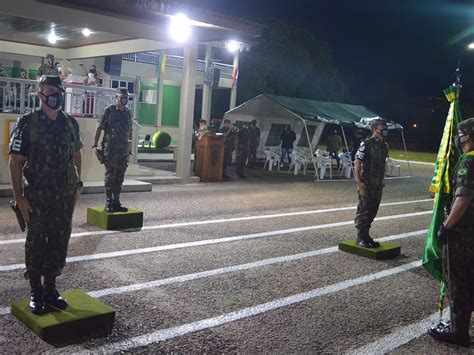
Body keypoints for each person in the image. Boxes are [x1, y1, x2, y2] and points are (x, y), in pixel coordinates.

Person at [8, 75, 83, 314]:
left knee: (59, 242)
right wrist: (19, 197)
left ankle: (50, 288)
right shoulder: (27, 123)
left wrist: (78, 185)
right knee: (36, 243)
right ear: (40, 93)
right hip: (37, 198)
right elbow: (15, 162)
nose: (55, 95)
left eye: (58, 90)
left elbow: (77, 155)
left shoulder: (70, 123)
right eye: (50, 90)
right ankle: (35, 291)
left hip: (64, 197)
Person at [429, 117, 474, 347]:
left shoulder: (468, 162)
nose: (458, 138)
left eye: (460, 134)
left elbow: (463, 198)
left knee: (458, 281)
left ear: (465, 136)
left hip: (463, 234)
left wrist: (447, 226)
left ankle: (458, 332)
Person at [93, 88, 132, 213]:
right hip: (111, 149)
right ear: (116, 97)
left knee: (120, 176)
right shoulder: (109, 111)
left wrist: (129, 148)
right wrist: (94, 146)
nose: (124, 99)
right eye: (122, 97)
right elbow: (99, 129)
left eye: (126, 97)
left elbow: (129, 131)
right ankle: (109, 201)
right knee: (111, 175)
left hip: (123, 150)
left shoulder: (128, 113)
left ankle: (116, 201)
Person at [354, 119, 389, 248]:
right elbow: (357, 162)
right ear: (375, 129)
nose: (385, 130)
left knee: (373, 209)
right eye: (382, 128)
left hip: (378, 184)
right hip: (366, 183)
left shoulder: (384, 146)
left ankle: (366, 235)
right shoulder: (366, 143)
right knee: (364, 210)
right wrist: (359, 183)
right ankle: (360, 237)